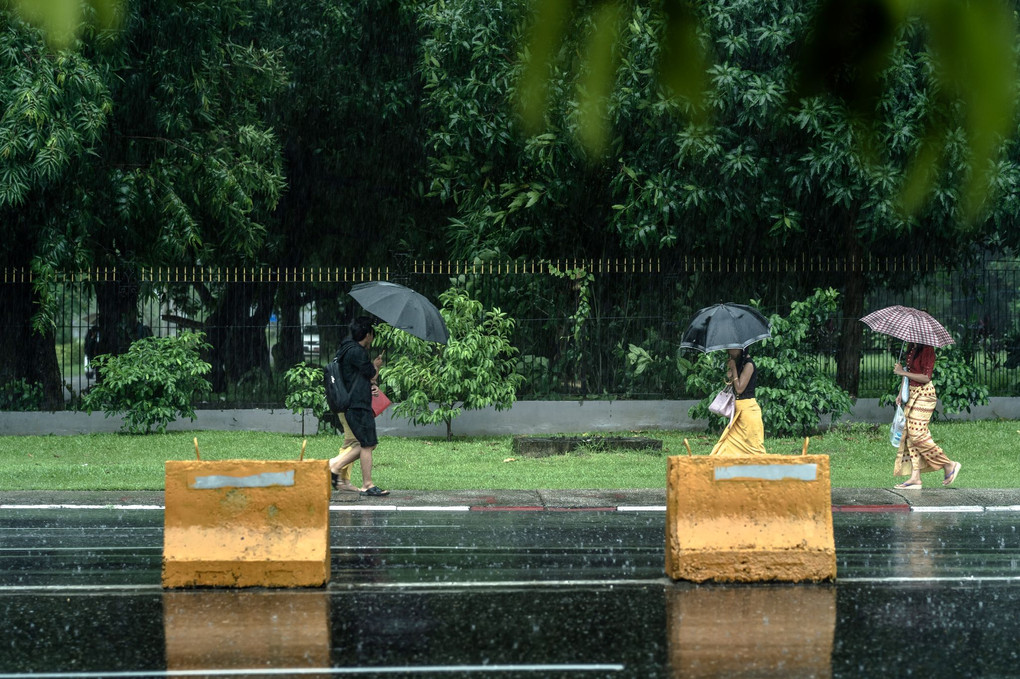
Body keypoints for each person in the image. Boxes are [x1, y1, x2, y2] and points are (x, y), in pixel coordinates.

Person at [327, 317, 389, 496]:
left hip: (349, 403)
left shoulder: (346, 348)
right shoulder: (358, 352)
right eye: (372, 335)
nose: (372, 339)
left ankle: (339, 472)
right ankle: (364, 483)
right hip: (358, 405)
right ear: (368, 335)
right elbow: (371, 375)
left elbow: (356, 377)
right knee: (367, 443)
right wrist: (376, 366)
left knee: (365, 443)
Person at [892, 342, 961, 489]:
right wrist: (900, 393)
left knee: (917, 434)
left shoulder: (927, 349)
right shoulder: (912, 347)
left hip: (925, 395)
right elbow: (908, 372)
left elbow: (925, 377)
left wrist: (902, 372)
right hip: (912, 392)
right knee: (910, 434)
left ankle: (948, 464)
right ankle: (915, 477)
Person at [710, 347, 767, 456]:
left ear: (740, 349)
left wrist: (734, 369)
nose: (728, 351)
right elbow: (735, 388)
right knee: (725, 447)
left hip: (748, 413)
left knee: (754, 451)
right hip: (738, 413)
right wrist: (731, 375)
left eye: (731, 348)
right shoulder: (741, 364)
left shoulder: (749, 365)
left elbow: (740, 389)